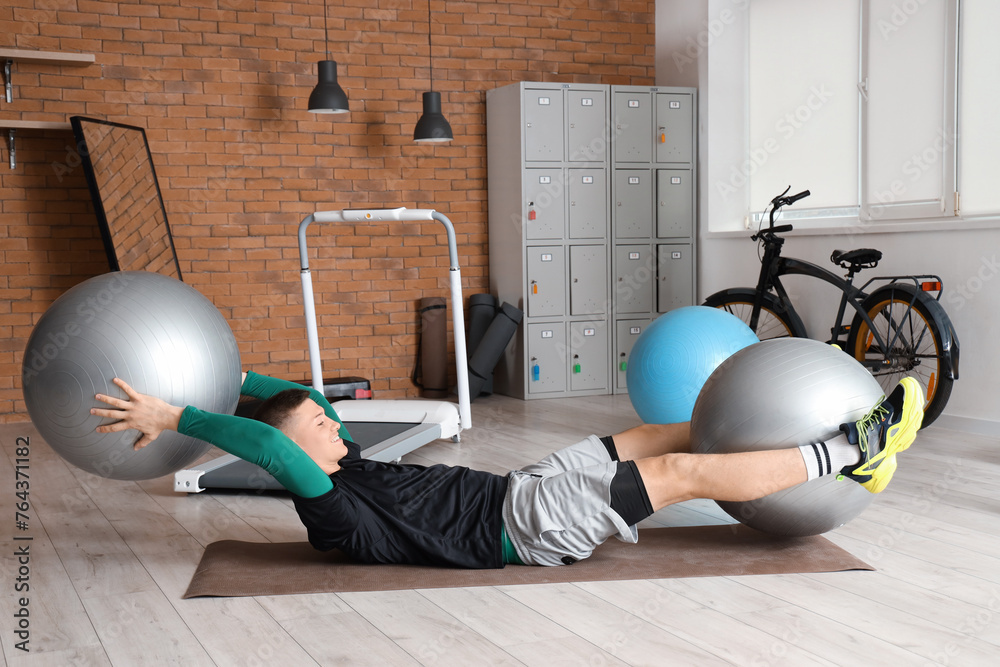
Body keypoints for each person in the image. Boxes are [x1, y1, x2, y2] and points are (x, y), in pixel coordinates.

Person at [91, 371, 923, 568]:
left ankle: (836, 463)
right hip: (526, 528)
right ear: (299, 453)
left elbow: (291, 409)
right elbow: (270, 445)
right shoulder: (329, 508)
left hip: (522, 486)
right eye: (320, 423)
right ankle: (852, 449)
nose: (330, 416)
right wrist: (175, 418)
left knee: (656, 434)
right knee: (683, 473)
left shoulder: (329, 456)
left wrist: (228, 377)